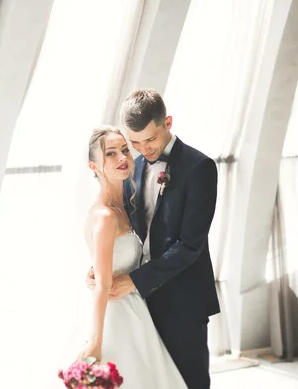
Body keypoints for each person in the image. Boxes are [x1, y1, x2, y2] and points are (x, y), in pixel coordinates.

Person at [87, 89, 220, 389]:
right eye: (134, 142)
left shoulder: (200, 168)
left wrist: (134, 281)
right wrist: (101, 269)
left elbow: (190, 245)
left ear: (168, 123)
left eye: (150, 139)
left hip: (183, 301)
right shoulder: (131, 168)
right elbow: (127, 233)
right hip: (139, 308)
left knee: (190, 382)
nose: (143, 149)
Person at [78, 125, 187, 388]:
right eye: (111, 154)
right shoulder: (105, 216)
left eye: (125, 150)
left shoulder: (124, 208)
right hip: (115, 317)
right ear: (94, 167)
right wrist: (96, 341)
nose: (123, 158)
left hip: (136, 310)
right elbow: (103, 283)